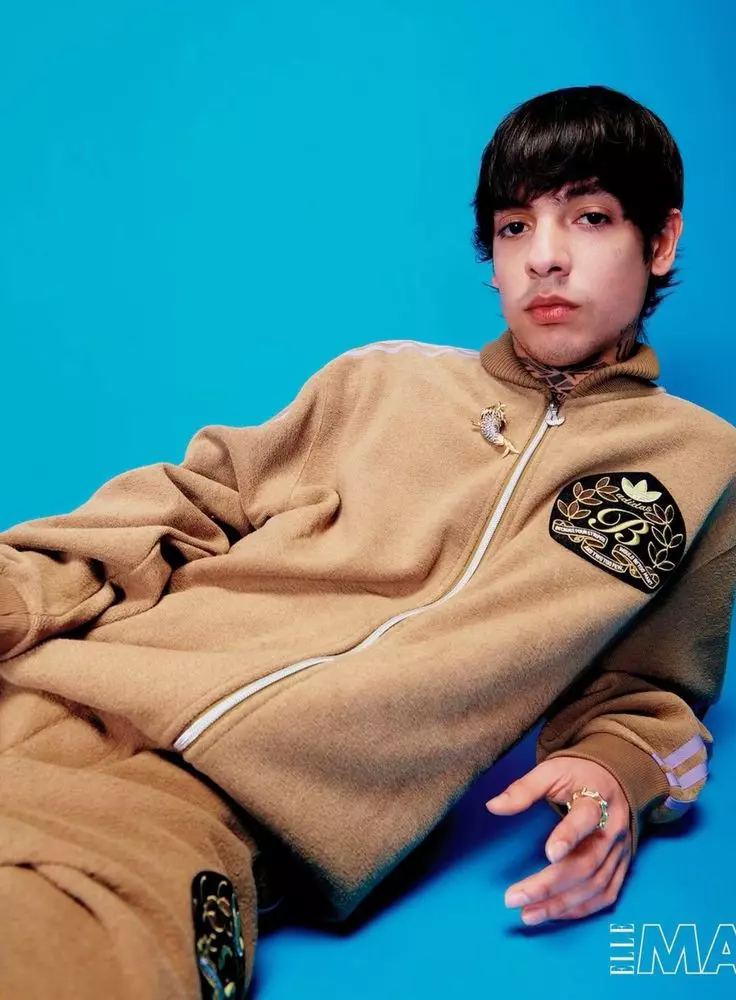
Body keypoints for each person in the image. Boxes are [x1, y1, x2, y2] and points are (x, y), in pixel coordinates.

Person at [0, 83, 734, 999]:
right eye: (514, 227)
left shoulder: (698, 462)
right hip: (44, 687)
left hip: (192, 809)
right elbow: (180, 507)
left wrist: (615, 773)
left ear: (660, 241)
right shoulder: (379, 380)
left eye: (588, 218)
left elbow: (654, 695)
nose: (544, 257)